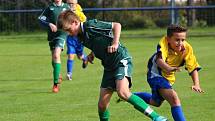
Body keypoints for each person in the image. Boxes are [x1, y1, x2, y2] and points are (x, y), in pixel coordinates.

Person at [57, 10, 168, 121]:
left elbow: (116, 25)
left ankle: (157, 118)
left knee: (122, 92)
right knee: (102, 105)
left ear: (75, 22)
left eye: (68, 29)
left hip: (120, 59)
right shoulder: (80, 36)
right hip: (109, 66)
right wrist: (92, 54)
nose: (68, 33)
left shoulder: (90, 25)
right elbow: (100, 41)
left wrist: (115, 43)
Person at [133, 24, 204, 121]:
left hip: (168, 76)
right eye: (177, 40)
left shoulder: (187, 48)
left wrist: (196, 84)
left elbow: (193, 67)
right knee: (174, 99)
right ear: (168, 39)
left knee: (155, 102)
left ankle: (130, 96)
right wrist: (169, 68)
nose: (180, 43)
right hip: (155, 73)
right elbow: (159, 61)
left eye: (183, 40)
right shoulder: (163, 43)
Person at [38, 0, 70, 93]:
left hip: (62, 35)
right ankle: (58, 74)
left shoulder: (67, 7)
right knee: (54, 58)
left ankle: (56, 84)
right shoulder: (50, 8)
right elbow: (40, 19)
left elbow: (73, 19)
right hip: (52, 36)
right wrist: (49, 24)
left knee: (56, 55)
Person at [66, 0, 88, 81]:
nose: (70, 5)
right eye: (68, 4)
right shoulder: (65, 13)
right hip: (70, 38)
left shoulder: (79, 13)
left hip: (79, 38)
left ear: (76, 4)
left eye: (72, 4)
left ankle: (85, 59)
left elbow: (85, 21)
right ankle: (69, 74)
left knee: (80, 56)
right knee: (71, 55)